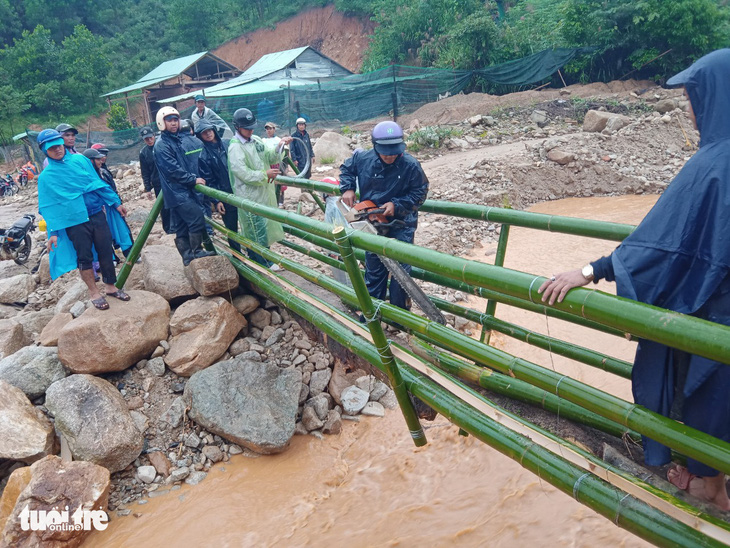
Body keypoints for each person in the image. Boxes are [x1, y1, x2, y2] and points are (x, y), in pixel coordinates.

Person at [538, 49, 730, 511]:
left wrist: (590, 271)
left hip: (717, 316)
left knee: (701, 387)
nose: (687, 109)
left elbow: (663, 246)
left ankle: (708, 487)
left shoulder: (711, 166)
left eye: (691, 97)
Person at [340, 121, 429, 311]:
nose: (390, 156)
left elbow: (420, 192)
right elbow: (347, 168)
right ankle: (372, 316)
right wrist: (347, 188)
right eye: (385, 152)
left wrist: (396, 205)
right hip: (373, 224)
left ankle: (400, 319)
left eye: (394, 151)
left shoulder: (411, 165)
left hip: (401, 224)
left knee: (401, 276)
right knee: (374, 271)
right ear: (375, 146)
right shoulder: (363, 159)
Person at [37, 129, 130, 309]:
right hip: (74, 221)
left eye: (59, 145)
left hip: (95, 213)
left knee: (105, 250)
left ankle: (111, 287)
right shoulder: (46, 177)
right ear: (45, 150)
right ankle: (94, 292)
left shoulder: (80, 160)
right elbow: (50, 206)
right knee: (84, 257)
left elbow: (96, 184)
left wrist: (115, 202)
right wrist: (54, 232)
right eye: (52, 148)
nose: (58, 150)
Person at [227, 108, 292, 269]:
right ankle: (260, 262)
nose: (250, 130)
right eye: (246, 128)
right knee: (254, 229)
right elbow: (243, 173)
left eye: (251, 127)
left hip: (263, 193)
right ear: (237, 127)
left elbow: (270, 155)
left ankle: (265, 259)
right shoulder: (235, 148)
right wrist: (265, 174)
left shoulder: (255, 140)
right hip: (249, 196)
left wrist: (280, 146)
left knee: (264, 228)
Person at [153, 106, 215, 266]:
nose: (174, 123)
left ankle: (187, 256)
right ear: (162, 122)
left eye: (175, 120)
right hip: (178, 191)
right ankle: (196, 251)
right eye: (169, 120)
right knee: (197, 218)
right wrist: (193, 179)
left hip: (177, 191)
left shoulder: (175, 140)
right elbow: (173, 169)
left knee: (181, 226)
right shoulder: (162, 145)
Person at [195, 118, 240, 251]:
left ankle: (255, 255)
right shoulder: (203, 155)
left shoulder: (228, 143)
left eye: (209, 130)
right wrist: (217, 200)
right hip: (224, 194)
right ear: (200, 136)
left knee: (249, 224)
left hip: (239, 189)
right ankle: (238, 257)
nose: (208, 133)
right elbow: (209, 181)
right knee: (231, 228)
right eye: (204, 132)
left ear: (214, 129)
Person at [83, 148, 134, 261]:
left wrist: (116, 203)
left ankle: (130, 254)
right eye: (98, 159)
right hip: (96, 210)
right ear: (90, 161)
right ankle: (111, 258)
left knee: (121, 230)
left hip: (110, 207)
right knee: (103, 236)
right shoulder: (85, 176)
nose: (101, 161)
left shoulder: (102, 172)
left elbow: (109, 190)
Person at [139, 126, 171, 234]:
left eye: (150, 137)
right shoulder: (143, 153)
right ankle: (168, 228)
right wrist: (148, 188)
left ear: (154, 135)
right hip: (157, 183)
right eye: (146, 139)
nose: (149, 140)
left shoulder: (162, 145)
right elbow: (145, 172)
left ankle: (178, 225)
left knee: (174, 202)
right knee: (163, 206)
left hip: (169, 179)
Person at [262, 122, 287, 207]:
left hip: (278, 166)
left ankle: (279, 201)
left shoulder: (279, 141)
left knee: (279, 185)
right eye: (267, 129)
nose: (268, 131)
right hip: (268, 167)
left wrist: (286, 167)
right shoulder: (263, 141)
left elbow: (285, 154)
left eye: (270, 128)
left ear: (274, 129)